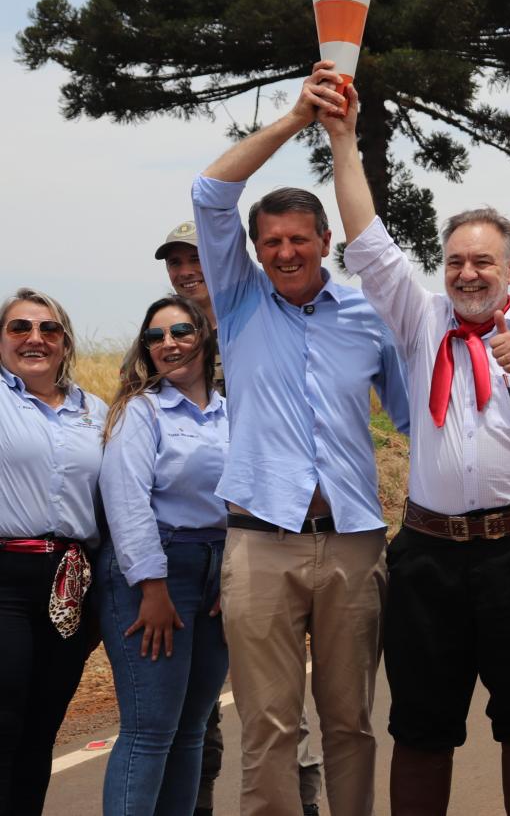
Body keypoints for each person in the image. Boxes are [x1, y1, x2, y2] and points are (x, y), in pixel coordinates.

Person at [327, 77, 510, 816]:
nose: (468, 273)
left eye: (484, 262)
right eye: (456, 261)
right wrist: (344, 141)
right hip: (429, 555)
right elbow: (369, 246)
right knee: (420, 726)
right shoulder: (420, 322)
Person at [190, 62, 410, 816]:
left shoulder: (368, 317)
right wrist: (296, 119)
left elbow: (416, 417)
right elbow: (208, 193)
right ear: (254, 251)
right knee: (270, 725)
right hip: (260, 543)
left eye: (300, 239)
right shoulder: (241, 300)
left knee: (350, 722)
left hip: (352, 542)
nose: (286, 252)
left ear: (326, 240)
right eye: (271, 241)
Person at [152, 222, 324, 816]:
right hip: (188, 552)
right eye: (174, 263)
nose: (184, 271)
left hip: (264, 544)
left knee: (277, 704)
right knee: (196, 709)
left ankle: (301, 805)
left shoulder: (263, 325)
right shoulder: (165, 342)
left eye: (193, 258)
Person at [96, 296, 230, 815]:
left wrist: (233, 570)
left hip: (216, 572)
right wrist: (151, 586)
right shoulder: (140, 411)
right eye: (156, 337)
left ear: (204, 336)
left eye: (180, 331)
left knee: (192, 728)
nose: (169, 344)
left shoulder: (226, 413)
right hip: (157, 569)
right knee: (150, 730)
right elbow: (125, 499)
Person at [0, 287, 107, 814]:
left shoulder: (98, 411)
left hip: (70, 581)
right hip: (5, 575)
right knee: (5, 716)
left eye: (49, 329)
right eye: (19, 327)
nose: (34, 339)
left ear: (65, 343)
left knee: (43, 723)